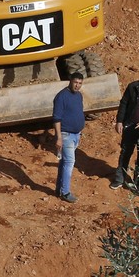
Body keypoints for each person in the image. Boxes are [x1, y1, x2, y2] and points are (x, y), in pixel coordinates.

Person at [52, 73, 86, 202]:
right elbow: (57, 118)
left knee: (64, 162)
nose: (77, 85)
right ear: (70, 81)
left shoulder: (79, 96)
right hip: (66, 135)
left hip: (76, 134)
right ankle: (65, 192)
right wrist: (59, 137)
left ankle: (59, 189)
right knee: (70, 162)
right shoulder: (61, 97)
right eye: (75, 82)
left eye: (80, 83)